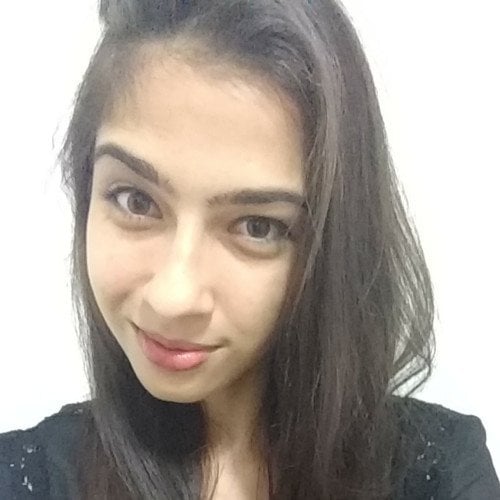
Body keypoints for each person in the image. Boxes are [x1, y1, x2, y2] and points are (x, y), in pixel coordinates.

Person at [1, 0, 499, 498]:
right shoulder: (27, 479)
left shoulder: (440, 472)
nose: (174, 297)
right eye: (136, 201)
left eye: (257, 227)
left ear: (330, 246)